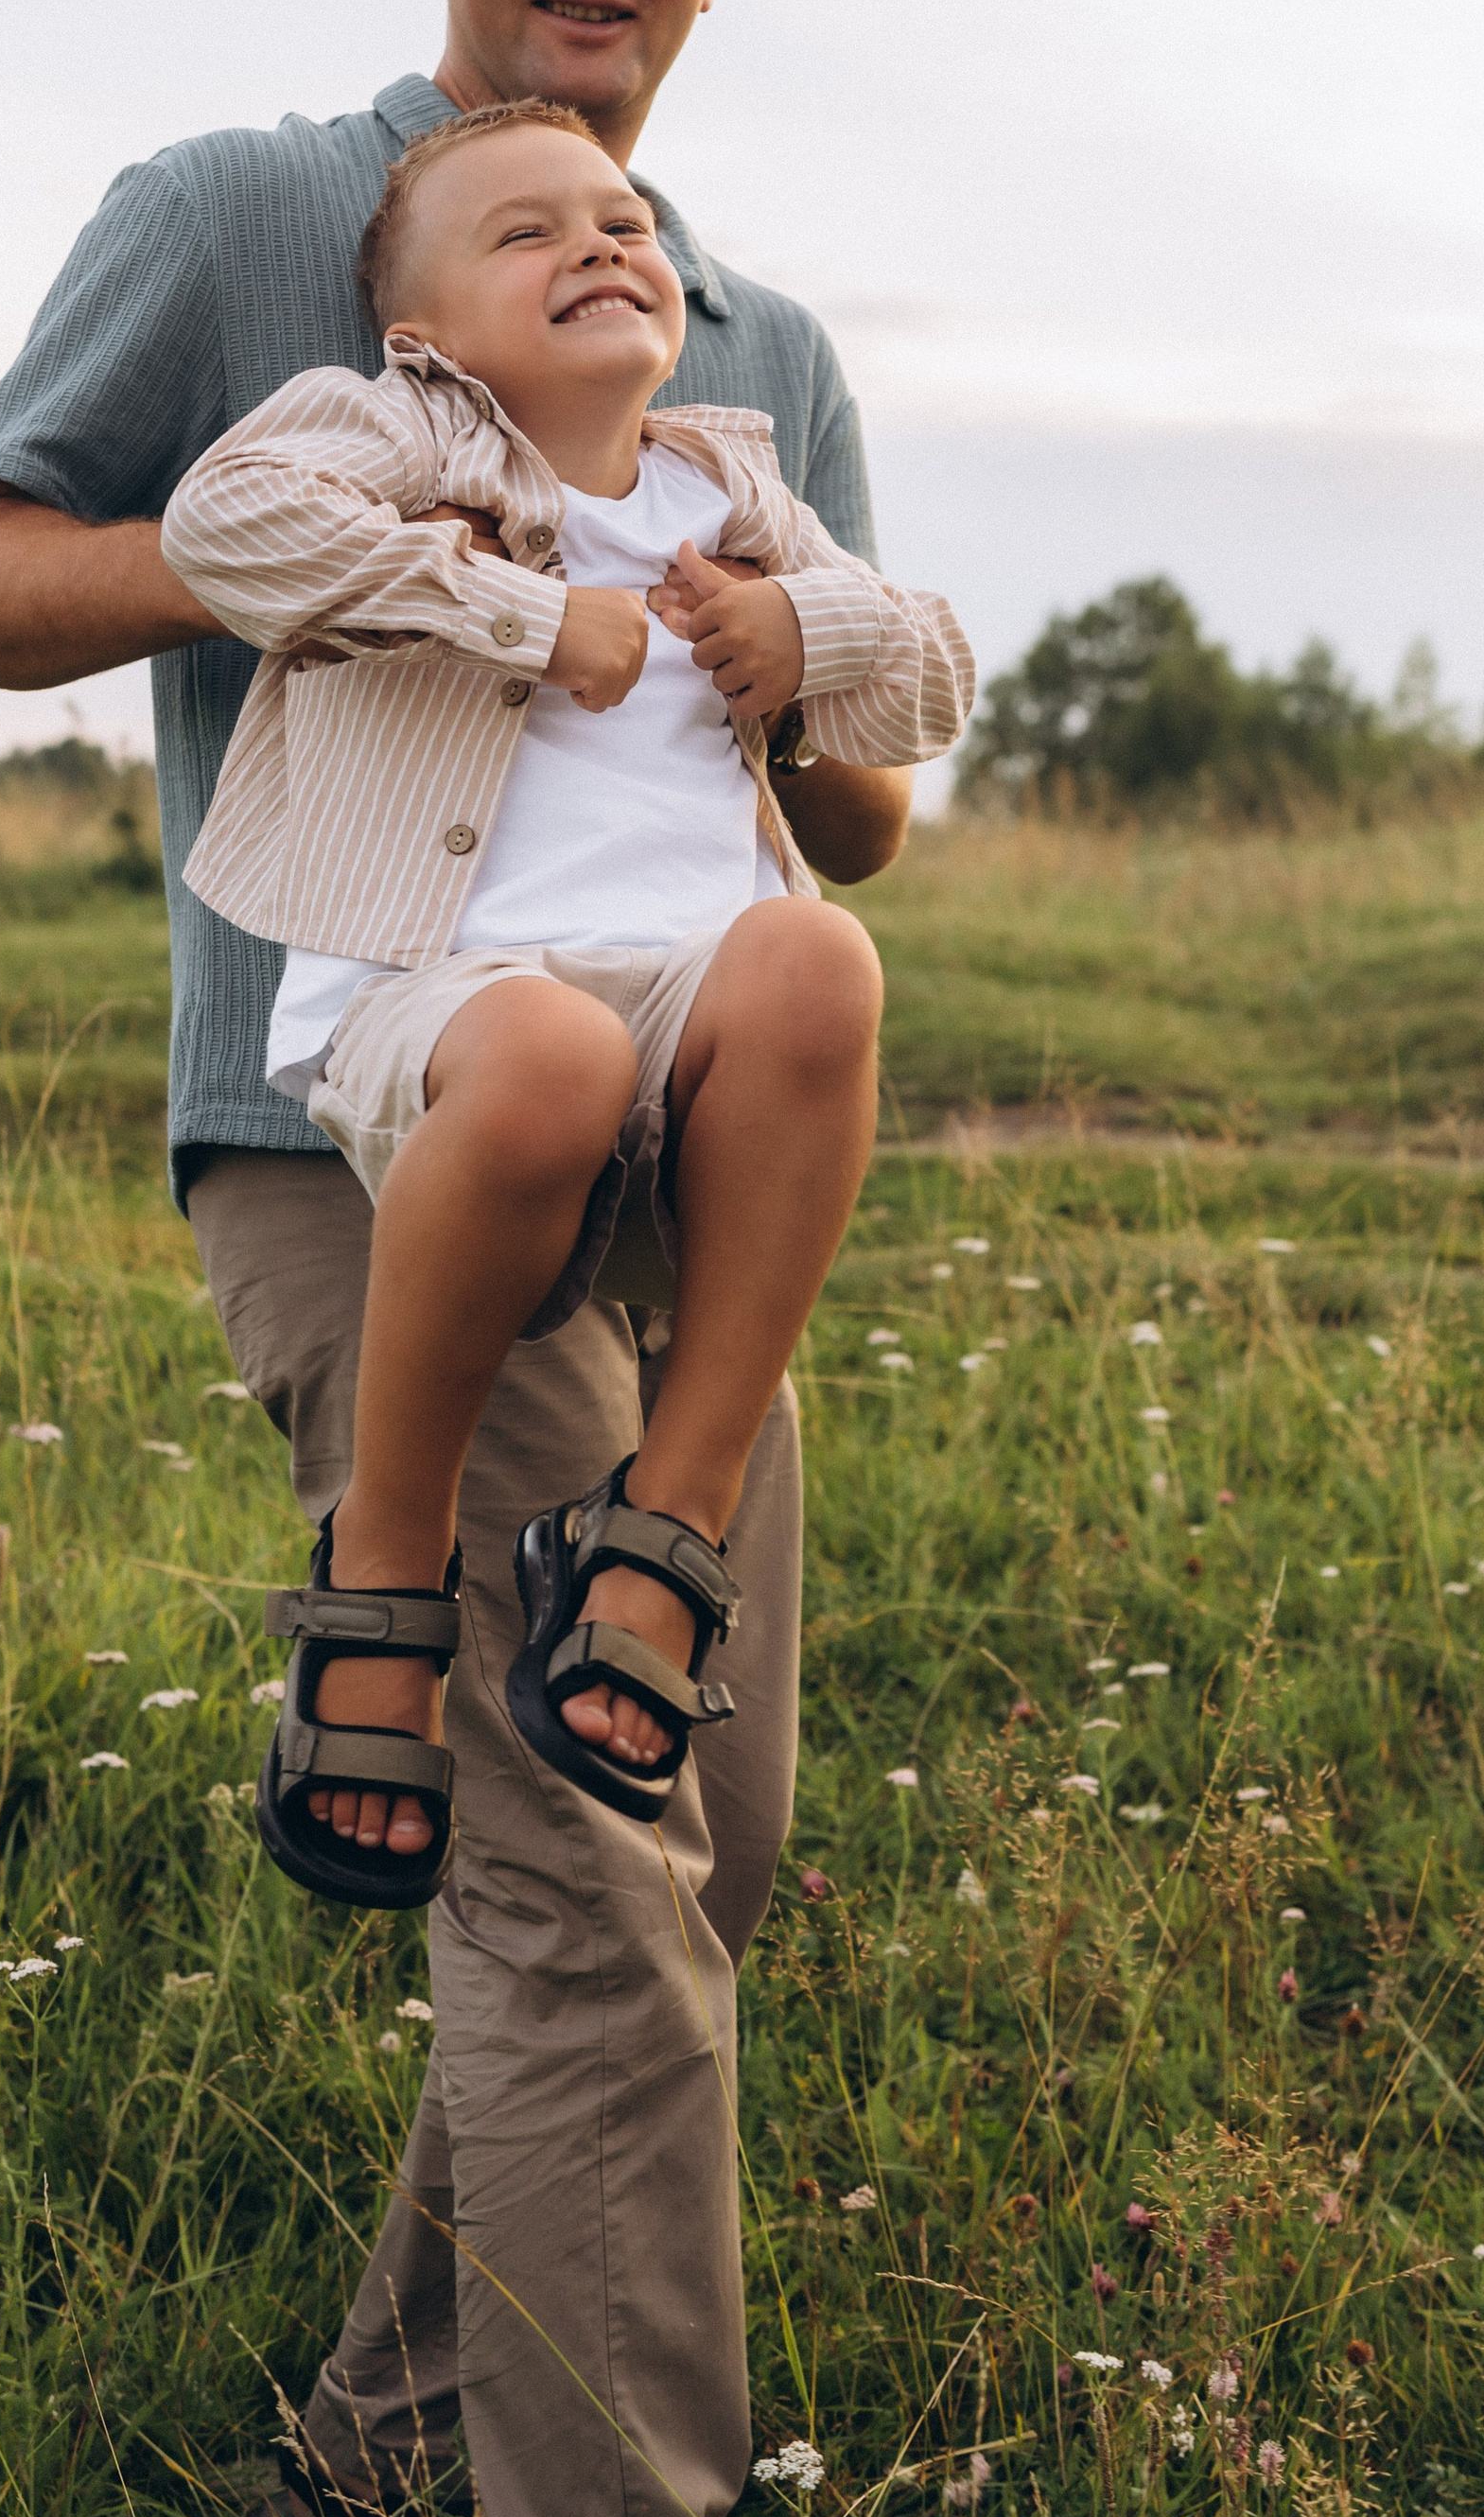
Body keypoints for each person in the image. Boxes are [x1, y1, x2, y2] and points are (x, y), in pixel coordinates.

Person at [0, 0, 914, 2517]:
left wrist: (785, 665)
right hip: (368, 1123)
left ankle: (386, 2435)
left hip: (681, 1147)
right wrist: (365, 560)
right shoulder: (249, 223)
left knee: (698, 1823)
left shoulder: (759, 350)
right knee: (594, 1884)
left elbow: (848, 813)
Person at [157, 98, 969, 1899]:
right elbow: (226, 528)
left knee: (824, 953)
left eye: (622, 218)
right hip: (437, 1004)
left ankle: (663, 1523)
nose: (602, 243)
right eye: (527, 232)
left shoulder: (735, 484)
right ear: (427, 334)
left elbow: (933, 679)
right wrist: (516, 614)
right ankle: (387, 1567)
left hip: (689, 1027)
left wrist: (804, 639)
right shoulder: (387, 436)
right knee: (544, 1050)